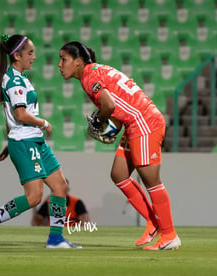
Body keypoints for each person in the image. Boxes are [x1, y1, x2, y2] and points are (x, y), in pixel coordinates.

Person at [57, 41, 181, 250]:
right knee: (119, 174)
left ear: (78, 62)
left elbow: (110, 106)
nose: (59, 64)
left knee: (152, 181)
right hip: (136, 123)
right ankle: (154, 222)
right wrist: (110, 125)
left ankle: (169, 234)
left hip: (144, 123)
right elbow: (118, 103)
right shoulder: (96, 70)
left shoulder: (89, 77)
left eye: (63, 59)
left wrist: (98, 122)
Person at [0, 34, 81, 249]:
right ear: (16, 55)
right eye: (30, 52)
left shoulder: (19, 78)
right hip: (26, 143)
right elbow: (21, 115)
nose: (34, 56)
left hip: (32, 141)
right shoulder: (14, 80)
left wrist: (9, 141)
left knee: (60, 187)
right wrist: (44, 123)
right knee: (34, 198)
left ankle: (55, 238)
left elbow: (9, 115)